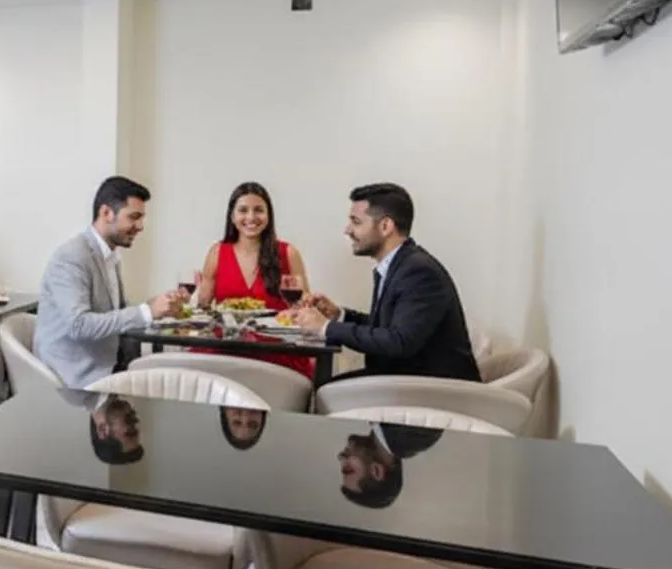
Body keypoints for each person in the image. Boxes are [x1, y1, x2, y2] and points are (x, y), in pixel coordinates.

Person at [287, 183, 481, 381]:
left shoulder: (418, 272)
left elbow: (398, 342)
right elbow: (388, 329)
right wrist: (340, 315)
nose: (347, 230)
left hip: (433, 389)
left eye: (356, 222)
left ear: (385, 226)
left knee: (324, 390)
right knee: (322, 387)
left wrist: (325, 327)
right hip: (404, 379)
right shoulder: (401, 265)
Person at [34, 175, 180, 389]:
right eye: (134, 217)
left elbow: (114, 314)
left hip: (107, 366)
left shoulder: (109, 255)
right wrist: (147, 311)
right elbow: (79, 325)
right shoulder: (72, 256)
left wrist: (158, 306)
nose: (140, 226)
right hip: (73, 379)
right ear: (106, 213)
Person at [193, 181, 315, 380]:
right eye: (243, 210)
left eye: (259, 210)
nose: (251, 217)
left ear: (269, 216)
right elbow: (203, 308)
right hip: (226, 349)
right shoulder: (217, 252)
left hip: (275, 350)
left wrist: (299, 307)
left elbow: (304, 305)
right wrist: (195, 295)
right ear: (232, 216)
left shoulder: (288, 253)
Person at [338, 423, 446, 508]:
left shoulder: (399, 436)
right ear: (376, 470)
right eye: (348, 469)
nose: (341, 457)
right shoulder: (415, 436)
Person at [88, 395, 144, 464]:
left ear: (103, 430)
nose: (136, 421)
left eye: (130, 432)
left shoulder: (78, 392)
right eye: (136, 429)